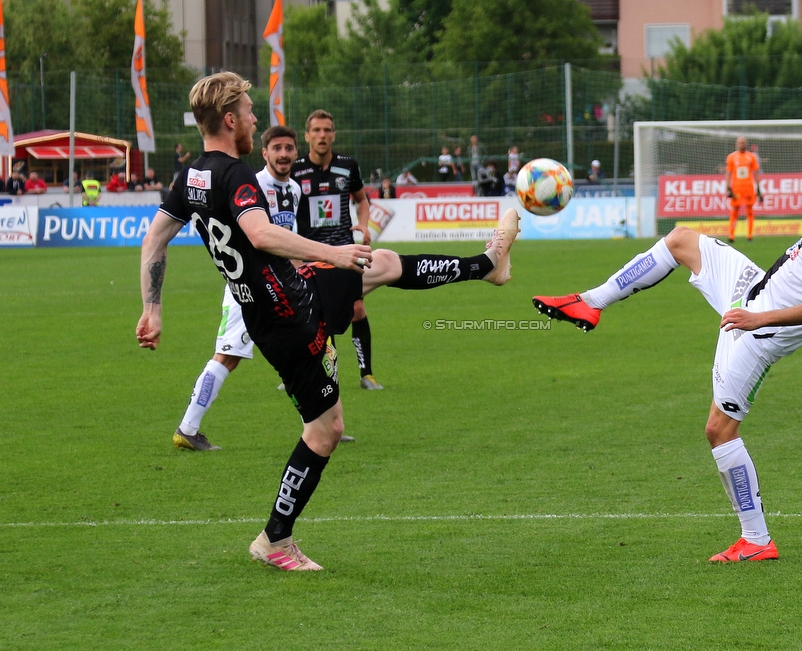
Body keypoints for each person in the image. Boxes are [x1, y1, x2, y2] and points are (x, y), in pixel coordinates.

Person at [137, 72, 520, 570]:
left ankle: (487, 265)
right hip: (286, 318)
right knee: (325, 430)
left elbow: (154, 239)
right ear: (230, 120)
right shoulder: (236, 175)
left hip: (285, 294)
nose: (256, 117)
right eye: (250, 111)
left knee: (377, 261)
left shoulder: (191, 177)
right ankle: (274, 539)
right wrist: (332, 253)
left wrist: (152, 308)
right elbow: (261, 234)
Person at [532, 136, 802, 563]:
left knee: (719, 429)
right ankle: (591, 302)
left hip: (760, 330)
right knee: (681, 240)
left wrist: (766, 317)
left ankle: (757, 540)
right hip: (754, 289)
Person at [171, 124, 352, 450]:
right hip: (250, 285)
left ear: (296, 153)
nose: (283, 155)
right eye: (276, 149)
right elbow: (255, 235)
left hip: (280, 283)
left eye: (288, 148)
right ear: (264, 153)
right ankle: (187, 427)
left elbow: (287, 236)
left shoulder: (295, 190)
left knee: (304, 346)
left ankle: (322, 421)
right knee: (227, 355)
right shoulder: (249, 183)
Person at [292, 110, 383, 390]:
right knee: (307, 315)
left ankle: (366, 374)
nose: (322, 135)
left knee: (357, 308)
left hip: (344, 251)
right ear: (307, 136)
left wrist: (364, 225)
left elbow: (361, 199)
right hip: (310, 252)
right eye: (317, 130)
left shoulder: (348, 165)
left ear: (333, 134)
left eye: (327, 130)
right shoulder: (295, 169)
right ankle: (299, 371)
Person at [726, 136, 762, 243]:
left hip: (748, 188)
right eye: (740, 143)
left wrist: (759, 188)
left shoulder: (751, 157)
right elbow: (728, 173)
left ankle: (750, 235)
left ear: (746, 144)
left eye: (743, 142)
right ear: (736, 144)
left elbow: (755, 173)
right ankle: (731, 235)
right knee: (734, 212)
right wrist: (728, 187)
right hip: (736, 188)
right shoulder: (731, 157)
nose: (742, 144)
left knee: (750, 212)